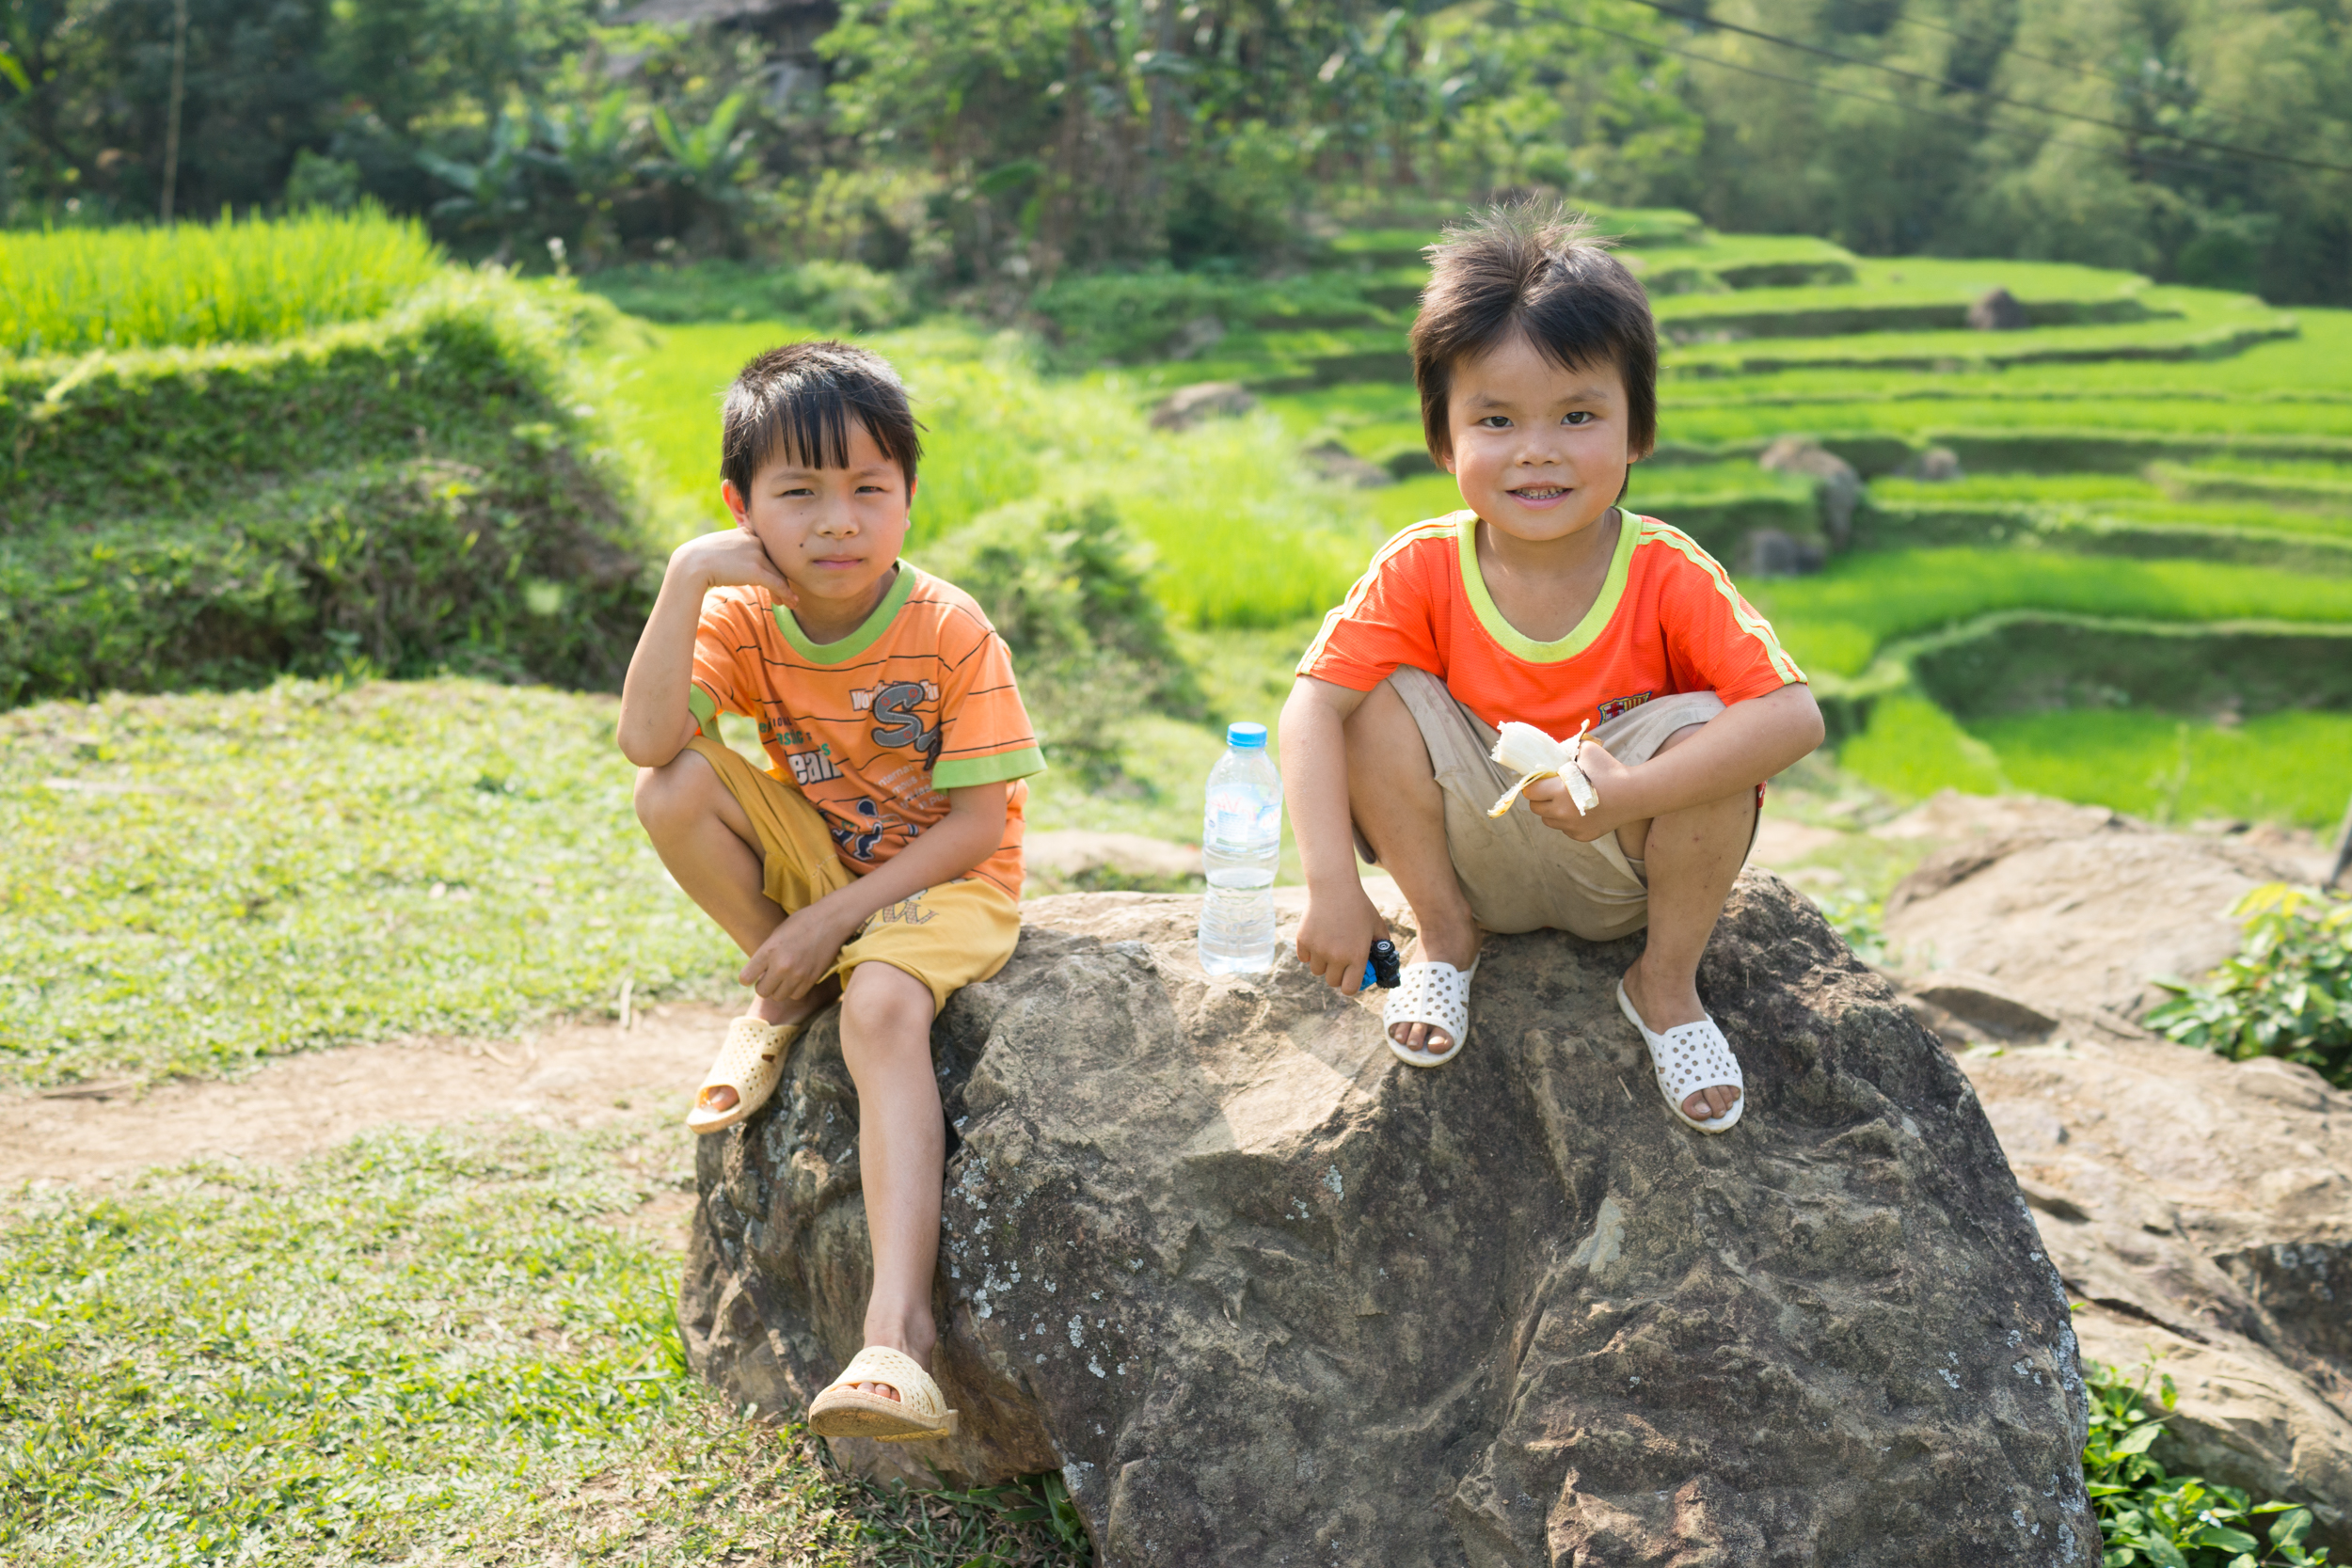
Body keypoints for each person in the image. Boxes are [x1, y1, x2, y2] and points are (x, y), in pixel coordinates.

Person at [1279, 203, 1825, 1133]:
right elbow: (1307, 710)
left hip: (1620, 863)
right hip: (1466, 852)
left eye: (1577, 415)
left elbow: (1793, 717)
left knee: (1713, 731)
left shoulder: (1665, 570)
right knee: (1365, 696)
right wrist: (1334, 883)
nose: (1536, 449)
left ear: (1635, 430)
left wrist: (1629, 791)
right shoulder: (1421, 565)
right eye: (1495, 419)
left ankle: (1662, 983)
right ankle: (1445, 941)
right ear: (1445, 439)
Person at [616, 340, 1043, 1440]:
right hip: (830, 862)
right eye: (797, 493)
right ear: (740, 508)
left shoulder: (947, 628)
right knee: (673, 791)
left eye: (868, 489)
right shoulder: (739, 612)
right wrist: (685, 575)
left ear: (908, 499)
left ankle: (897, 1337)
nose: (837, 521)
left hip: (945, 877)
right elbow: (645, 740)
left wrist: (832, 919)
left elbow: (974, 826)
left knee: (883, 1003)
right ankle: (790, 986)